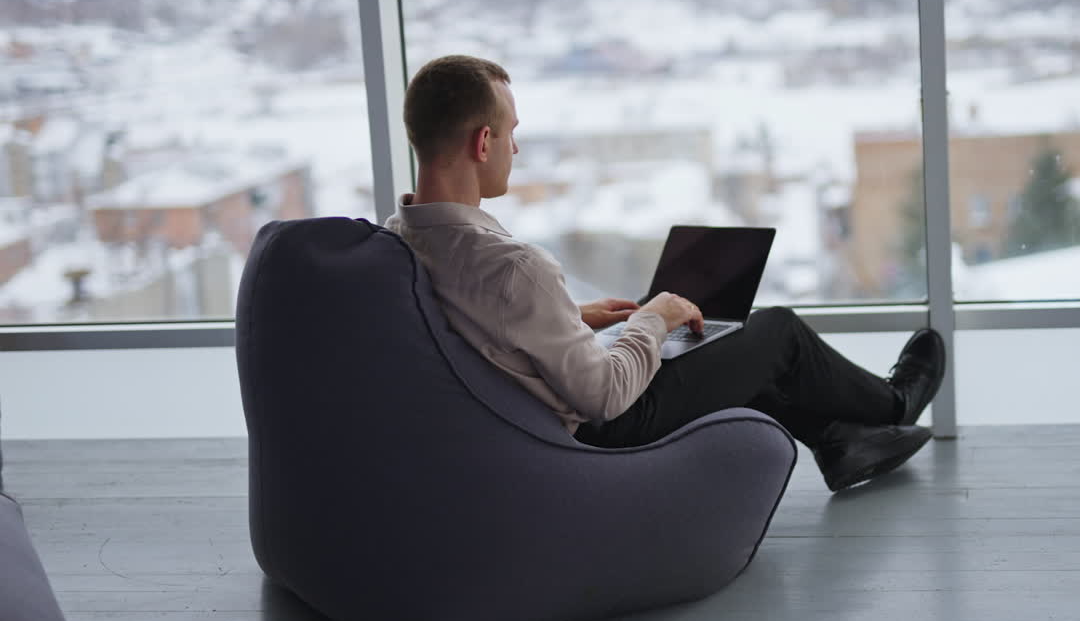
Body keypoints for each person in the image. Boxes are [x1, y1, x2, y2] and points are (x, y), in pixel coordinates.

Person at [385, 55, 946, 491]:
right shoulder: (514, 268)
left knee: (722, 346)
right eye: (510, 132)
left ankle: (840, 441)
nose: (516, 147)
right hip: (607, 423)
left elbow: (478, 324)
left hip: (536, 397)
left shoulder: (399, 238)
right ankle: (894, 403)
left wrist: (570, 316)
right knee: (775, 331)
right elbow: (605, 397)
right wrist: (652, 319)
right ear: (483, 142)